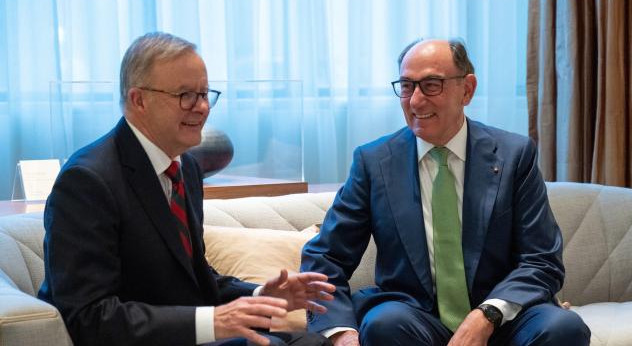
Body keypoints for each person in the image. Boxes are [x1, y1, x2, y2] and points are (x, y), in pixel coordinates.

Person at [38, 32, 334, 346]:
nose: (203, 107)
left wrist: (261, 296)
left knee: (314, 342)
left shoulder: (186, 167)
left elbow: (195, 278)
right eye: (186, 95)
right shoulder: (87, 181)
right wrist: (214, 322)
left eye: (206, 94)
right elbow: (89, 317)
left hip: (187, 336)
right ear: (139, 100)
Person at [300, 38, 591, 346]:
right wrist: (341, 333)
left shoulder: (514, 155)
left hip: (504, 319)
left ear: (466, 89)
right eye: (407, 85)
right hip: (415, 320)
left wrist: (487, 315)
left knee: (563, 327)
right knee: (384, 323)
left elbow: (542, 259)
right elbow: (326, 258)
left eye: (431, 85)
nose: (415, 101)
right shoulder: (375, 163)